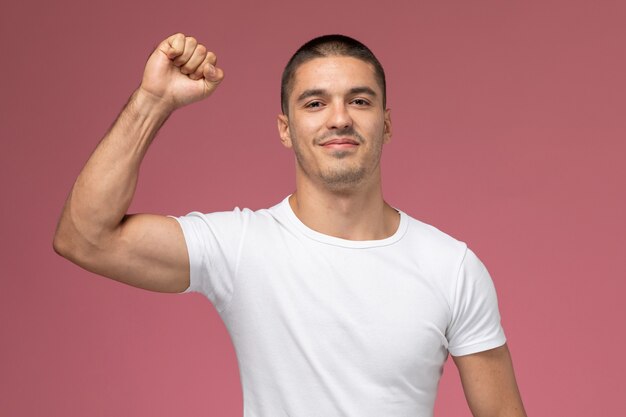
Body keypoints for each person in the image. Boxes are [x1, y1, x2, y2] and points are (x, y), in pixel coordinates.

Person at [53, 32, 527, 417]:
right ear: (286, 128)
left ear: (385, 123)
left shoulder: (452, 267)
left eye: (359, 101)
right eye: (315, 103)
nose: (339, 118)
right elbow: (86, 237)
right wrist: (153, 101)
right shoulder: (241, 247)